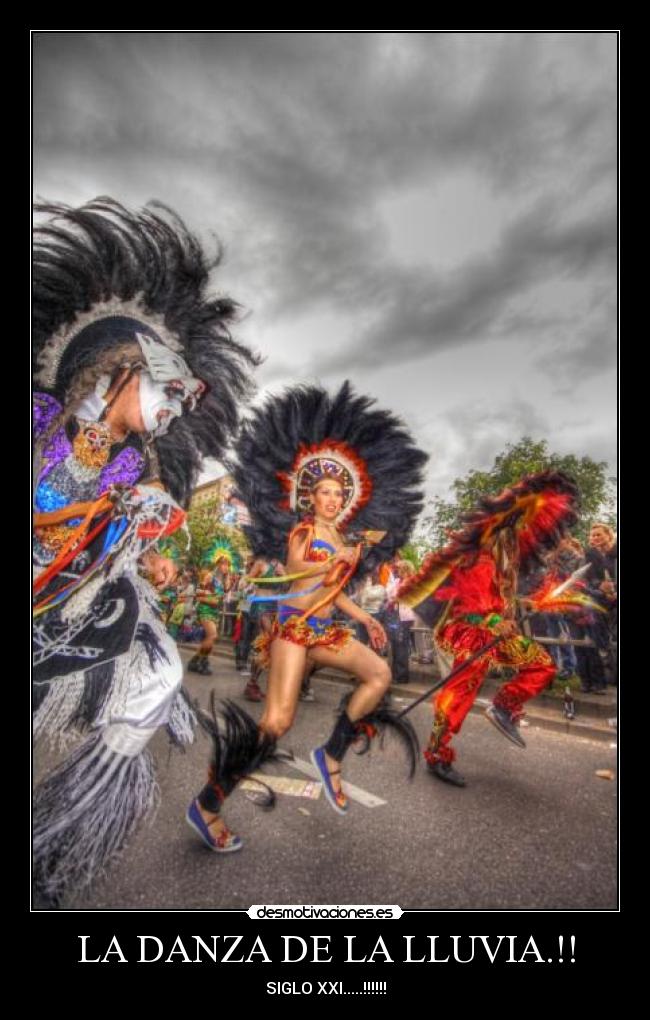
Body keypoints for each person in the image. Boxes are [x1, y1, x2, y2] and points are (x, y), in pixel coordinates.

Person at [32, 197, 270, 903]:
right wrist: (100, 501)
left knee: (157, 676)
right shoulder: (41, 420)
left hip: (79, 605)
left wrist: (146, 543)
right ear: (124, 369)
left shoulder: (137, 462)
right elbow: (49, 513)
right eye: (171, 389)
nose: (177, 408)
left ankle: (60, 836)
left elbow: (120, 541)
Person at [187, 382, 428, 824]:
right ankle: (209, 803)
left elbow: (333, 594)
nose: (333, 500)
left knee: (379, 673)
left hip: (323, 627)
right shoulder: (304, 532)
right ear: (310, 498)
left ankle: (330, 754)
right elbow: (301, 573)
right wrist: (335, 558)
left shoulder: (345, 540)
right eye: (326, 493)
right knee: (276, 723)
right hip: (293, 628)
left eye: (340, 494)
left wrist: (364, 618)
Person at [397, 471, 580, 788]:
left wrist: (528, 606)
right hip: (470, 636)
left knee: (541, 665)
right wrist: (497, 621)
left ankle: (503, 707)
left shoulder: (505, 558)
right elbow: (473, 607)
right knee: (457, 696)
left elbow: (503, 596)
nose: (518, 536)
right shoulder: (478, 557)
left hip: (495, 636)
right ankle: (437, 753)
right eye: (513, 529)